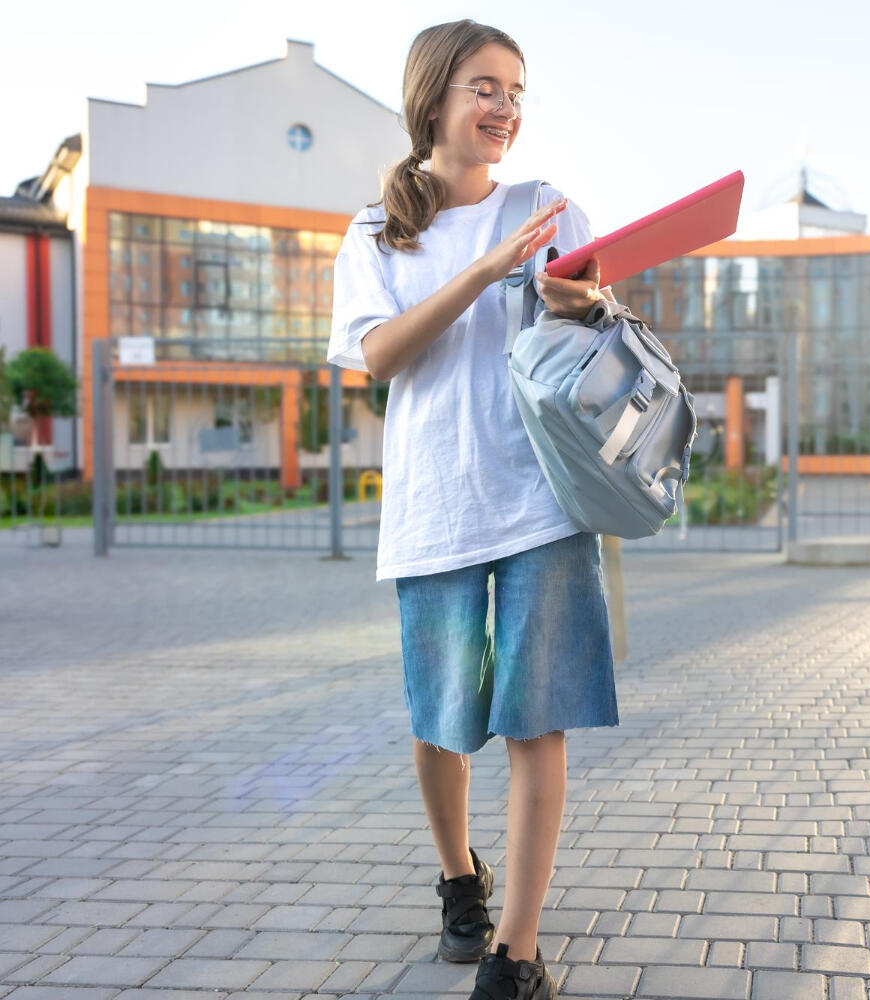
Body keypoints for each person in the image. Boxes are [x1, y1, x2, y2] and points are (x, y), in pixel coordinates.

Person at [326, 19, 617, 1000]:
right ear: (435, 98)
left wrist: (583, 302)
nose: (505, 108)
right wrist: (486, 272)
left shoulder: (550, 206)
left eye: (517, 90)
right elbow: (378, 358)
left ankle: (518, 951)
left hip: (542, 497)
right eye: (485, 88)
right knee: (443, 718)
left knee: (541, 719)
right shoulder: (375, 232)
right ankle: (461, 877)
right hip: (436, 503)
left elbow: (590, 330)